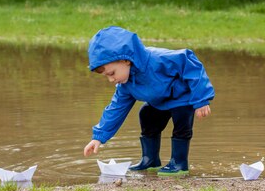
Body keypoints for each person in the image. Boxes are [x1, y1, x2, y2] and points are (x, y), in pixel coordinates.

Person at [83, 26, 214, 176]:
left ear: (126, 60)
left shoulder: (158, 59)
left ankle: (179, 163)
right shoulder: (125, 85)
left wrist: (201, 99)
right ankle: (150, 159)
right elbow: (115, 109)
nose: (111, 79)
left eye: (112, 73)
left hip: (181, 99)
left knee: (181, 121)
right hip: (159, 102)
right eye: (106, 76)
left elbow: (190, 63)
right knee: (146, 114)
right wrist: (98, 138)